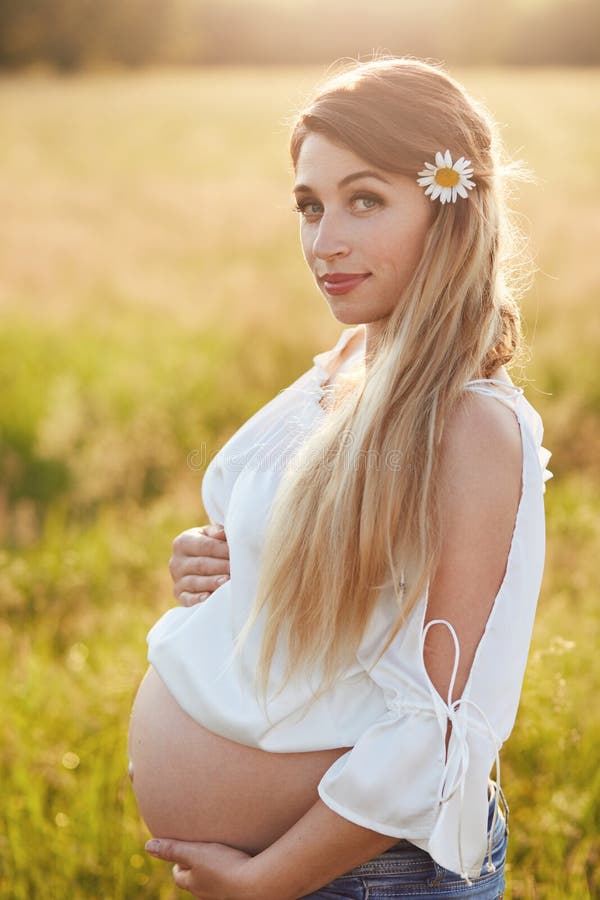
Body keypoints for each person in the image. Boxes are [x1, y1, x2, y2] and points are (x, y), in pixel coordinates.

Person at [129, 55, 553, 899]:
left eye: (365, 200)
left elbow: (438, 730)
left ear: (451, 207)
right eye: (309, 206)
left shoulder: (470, 425)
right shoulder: (357, 359)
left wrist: (269, 880)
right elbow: (330, 569)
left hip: (368, 877)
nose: (325, 243)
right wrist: (214, 562)